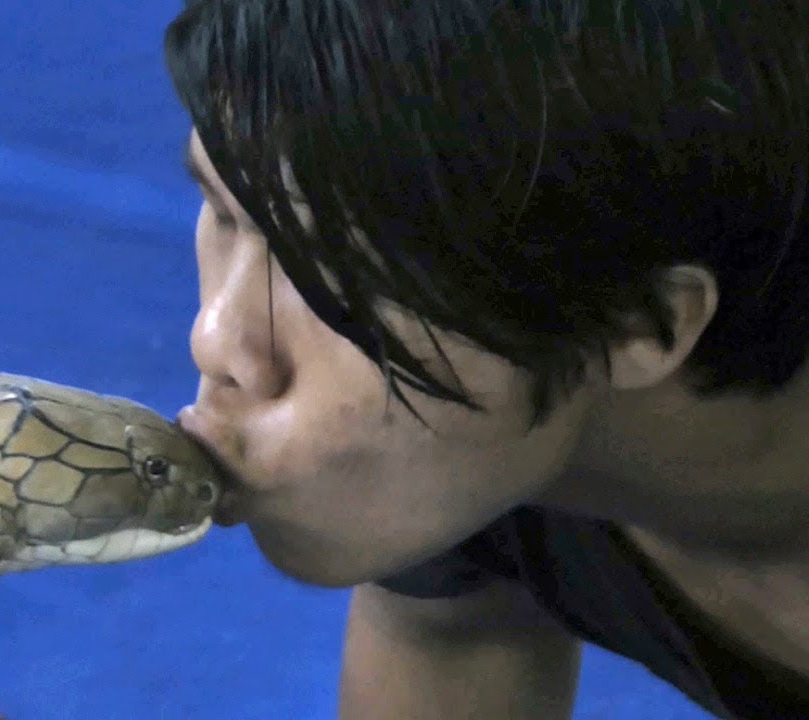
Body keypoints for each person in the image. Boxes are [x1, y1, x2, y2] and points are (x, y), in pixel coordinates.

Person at [162, 1, 809, 718]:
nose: (217, 343)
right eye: (223, 212)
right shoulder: (480, 460)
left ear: (636, 322)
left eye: (334, 266)